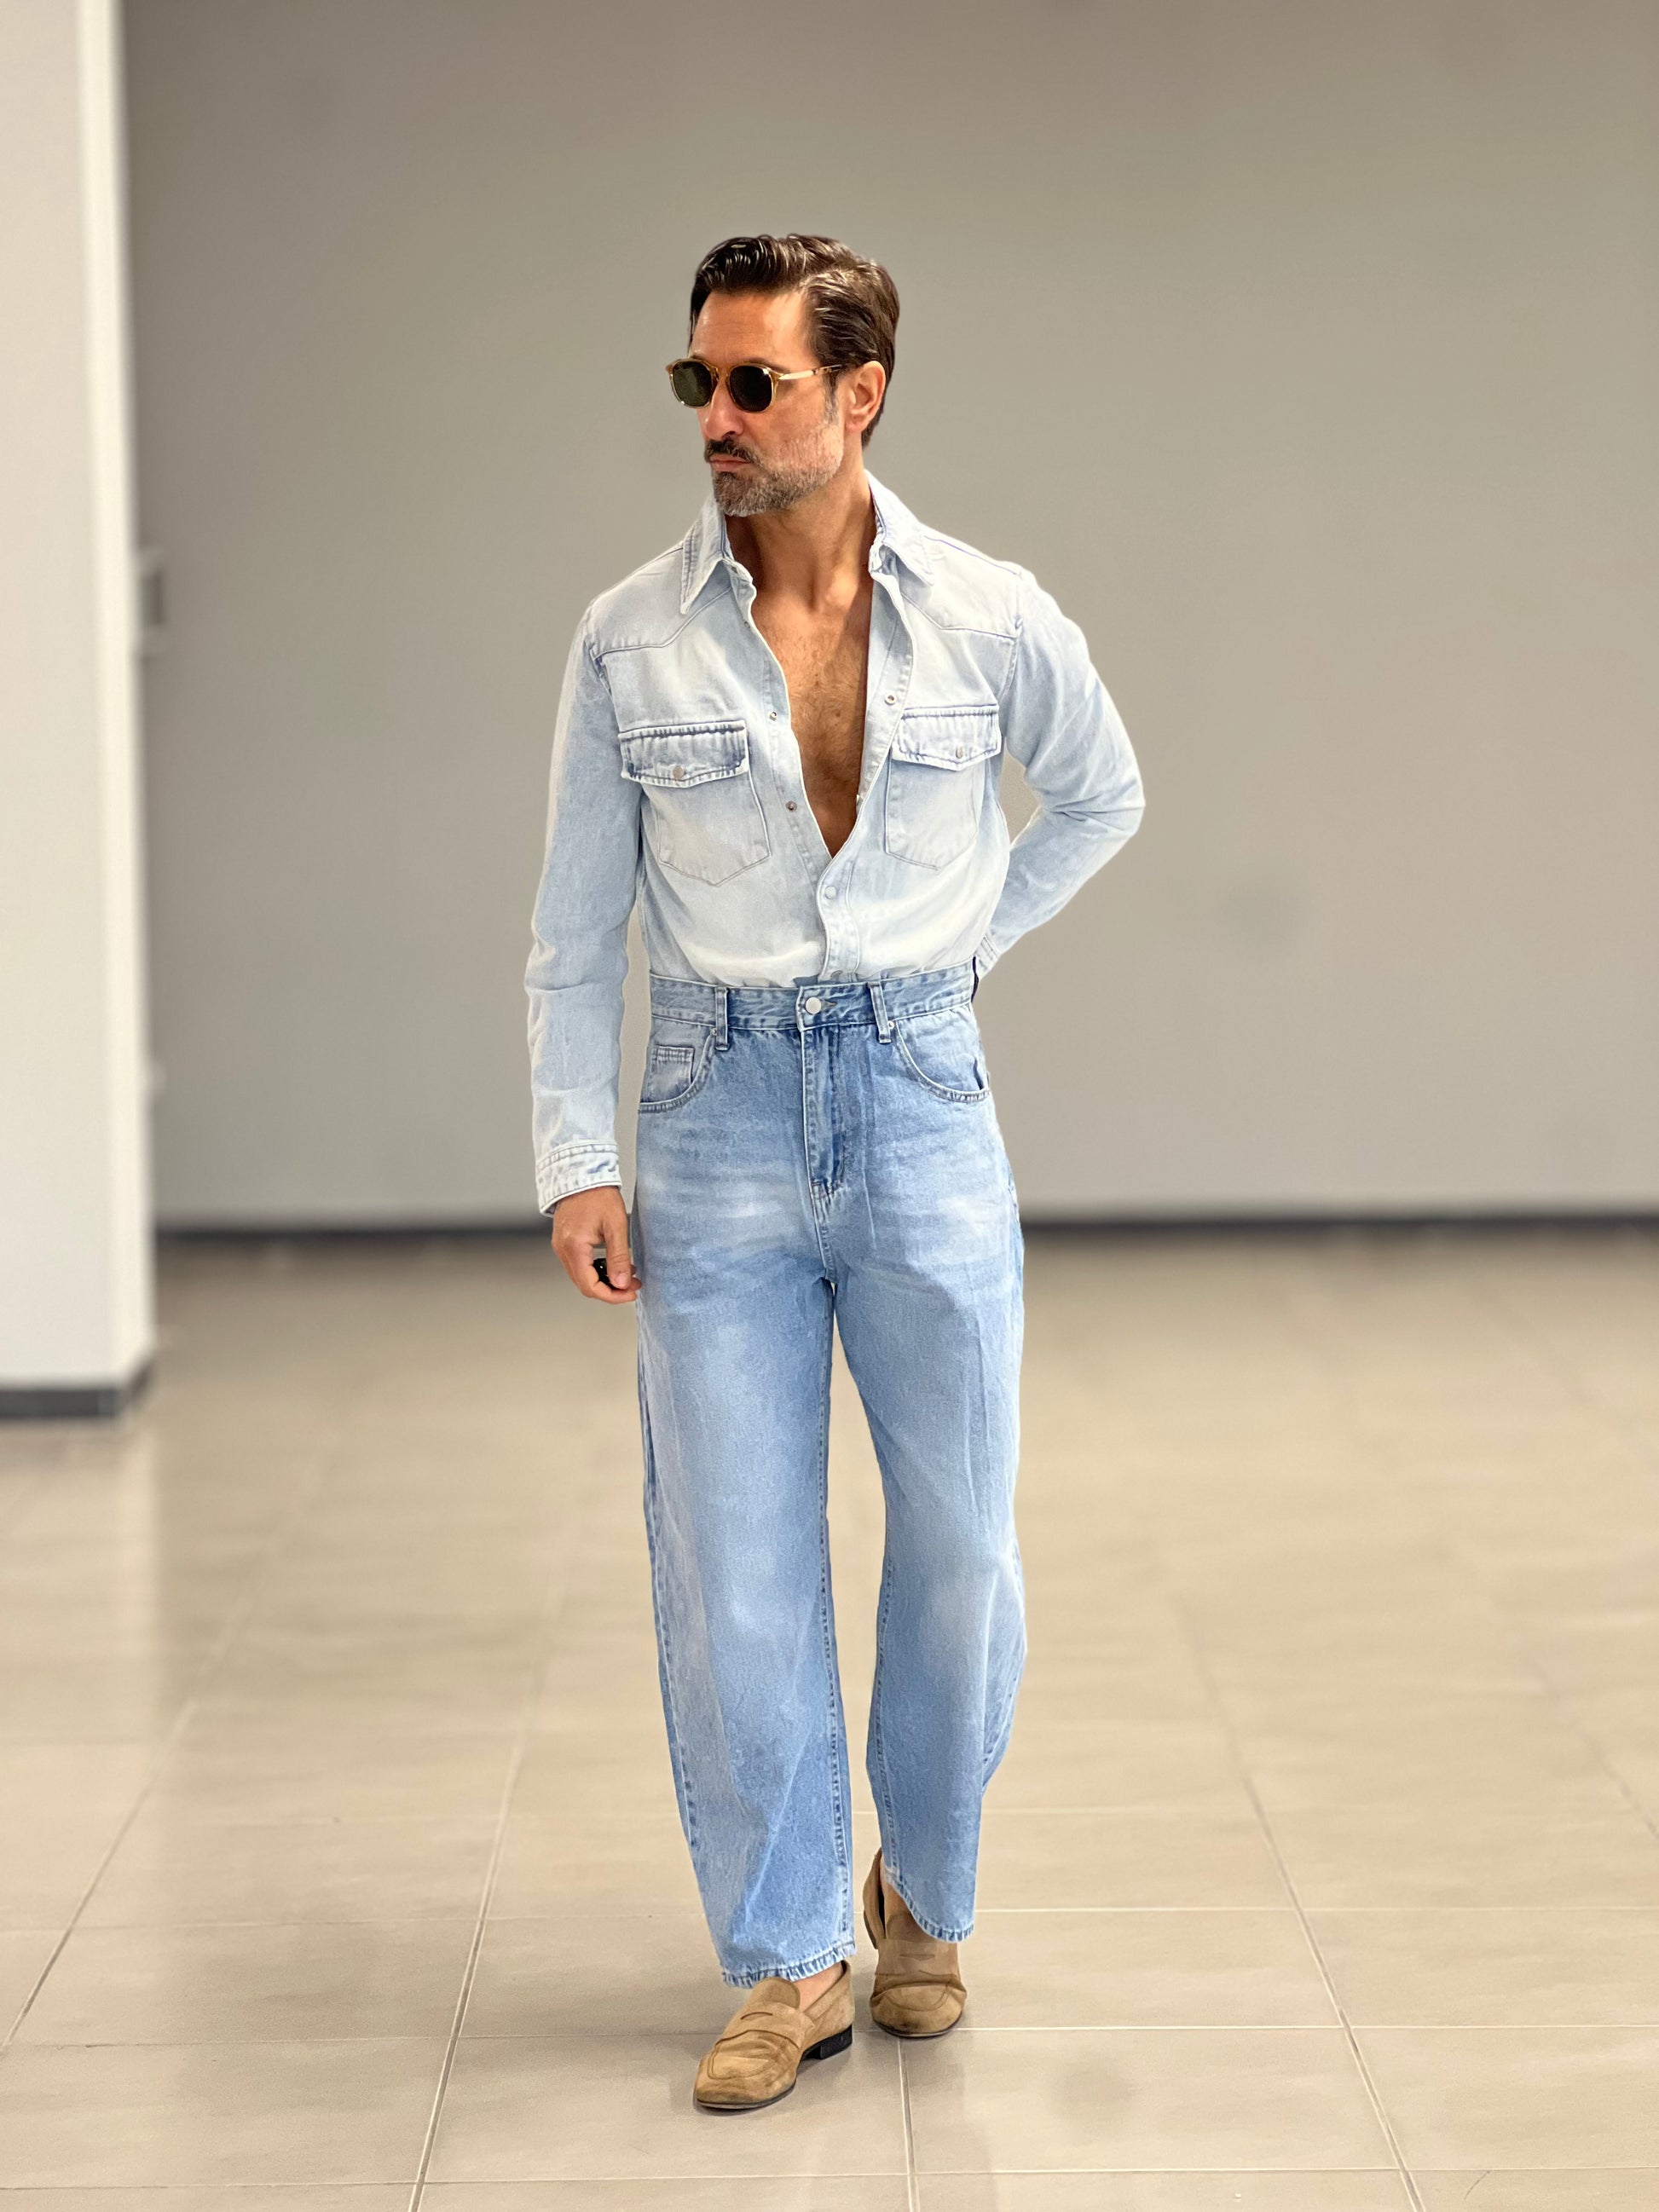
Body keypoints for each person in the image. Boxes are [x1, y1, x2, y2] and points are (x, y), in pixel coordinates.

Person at [525, 233, 1144, 2113]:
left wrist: (954, 955)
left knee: (960, 1547)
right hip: (709, 1116)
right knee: (736, 1564)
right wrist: (576, 1156)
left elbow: (1102, 793)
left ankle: (923, 1894)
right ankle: (787, 1953)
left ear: (857, 394)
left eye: (753, 384)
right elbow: (572, 929)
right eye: (695, 384)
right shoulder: (628, 637)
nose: (714, 417)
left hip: (922, 1105)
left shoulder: (988, 612)